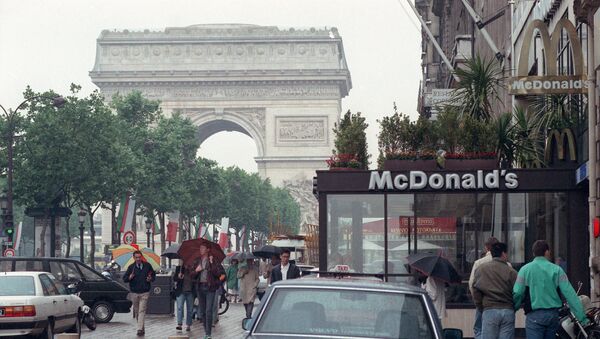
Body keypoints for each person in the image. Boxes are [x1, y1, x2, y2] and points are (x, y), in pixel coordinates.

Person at [513, 240, 588, 339]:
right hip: (553, 316)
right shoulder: (557, 270)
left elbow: (518, 292)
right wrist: (582, 318)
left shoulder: (525, 270)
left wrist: (515, 306)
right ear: (547, 252)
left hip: (534, 316)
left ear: (533, 253)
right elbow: (570, 294)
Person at [472, 242, 517, 339]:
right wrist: (513, 306)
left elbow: (475, 290)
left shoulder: (481, 269)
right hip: (507, 310)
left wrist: (481, 306)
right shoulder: (511, 271)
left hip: (489, 310)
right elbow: (517, 292)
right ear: (504, 254)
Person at [192, 245, 225, 339]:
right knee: (202, 311)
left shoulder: (214, 261)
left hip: (210, 288)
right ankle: (206, 331)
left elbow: (221, 274)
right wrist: (196, 270)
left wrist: (211, 263)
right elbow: (191, 275)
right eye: (200, 248)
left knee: (208, 310)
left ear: (208, 250)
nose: (201, 249)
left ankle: (208, 333)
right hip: (200, 287)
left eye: (203, 248)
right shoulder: (197, 261)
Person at [469, 237, 499, 339]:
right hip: (501, 303)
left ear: (486, 248)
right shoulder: (506, 263)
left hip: (482, 301)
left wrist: (477, 301)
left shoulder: (479, 263)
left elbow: (472, 283)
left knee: (479, 328)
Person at [123, 250, 156, 337]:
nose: (138, 259)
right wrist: (129, 277)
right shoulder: (131, 267)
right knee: (137, 311)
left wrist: (150, 279)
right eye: (136, 257)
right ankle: (142, 328)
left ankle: (139, 329)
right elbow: (124, 278)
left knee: (142, 310)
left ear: (141, 257)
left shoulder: (147, 266)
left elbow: (153, 275)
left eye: (139, 257)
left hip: (145, 292)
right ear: (134, 258)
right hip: (134, 292)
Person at [173, 264, 194, 332]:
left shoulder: (193, 269)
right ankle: (179, 324)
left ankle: (188, 325)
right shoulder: (179, 268)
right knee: (179, 307)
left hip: (190, 292)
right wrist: (178, 277)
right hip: (181, 291)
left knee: (190, 309)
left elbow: (196, 279)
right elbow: (174, 278)